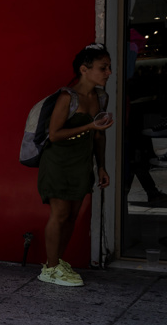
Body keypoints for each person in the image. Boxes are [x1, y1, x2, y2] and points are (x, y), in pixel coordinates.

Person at [37, 44, 114, 286]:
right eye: (103, 68)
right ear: (84, 69)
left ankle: (57, 262)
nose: (108, 72)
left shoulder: (101, 97)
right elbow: (55, 134)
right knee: (59, 214)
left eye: (109, 67)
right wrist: (90, 126)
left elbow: (100, 136)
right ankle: (49, 269)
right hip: (58, 163)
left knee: (72, 216)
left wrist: (101, 166)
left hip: (82, 164)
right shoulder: (67, 97)